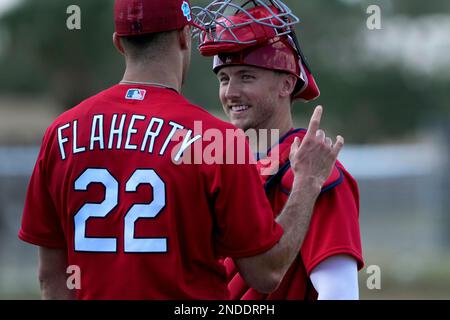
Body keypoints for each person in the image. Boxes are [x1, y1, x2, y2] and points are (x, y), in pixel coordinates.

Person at [18, 0, 343, 299]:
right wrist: (308, 183)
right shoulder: (217, 141)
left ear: (118, 43)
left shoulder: (61, 133)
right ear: (185, 37)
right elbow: (266, 272)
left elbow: (51, 277)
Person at [195, 0, 364, 299]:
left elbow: (339, 293)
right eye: (224, 78)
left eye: (247, 76)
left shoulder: (318, 175)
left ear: (287, 84)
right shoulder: (225, 163)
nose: (231, 92)